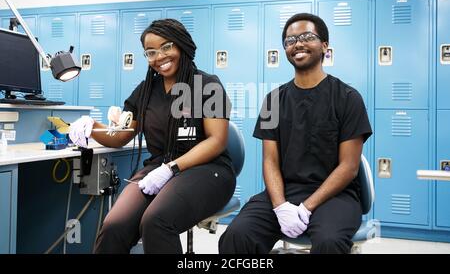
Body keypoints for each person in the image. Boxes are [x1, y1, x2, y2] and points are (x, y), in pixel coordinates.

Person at [69, 19, 235, 254]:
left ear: (181, 45)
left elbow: (217, 141)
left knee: (156, 221)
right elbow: (121, 136)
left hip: (208, 170)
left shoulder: (208, 85)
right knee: (114, 225)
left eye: (167, 47)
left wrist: (172, 168)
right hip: (158, 169)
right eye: (151, 52)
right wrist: (91, 126)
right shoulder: (146, 90)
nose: (159, 56)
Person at [219, 13, 372, 254]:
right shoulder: (273, 101)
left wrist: (306, 208)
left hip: (336, 196)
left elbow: (349, 167)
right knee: (237, 237)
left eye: (307, 37)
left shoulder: (347, 98)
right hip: (284, 192)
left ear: (324, 46)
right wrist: (280, 206)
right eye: (290, 40)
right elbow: (270, 160)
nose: (297, 44)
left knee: (329, 243)